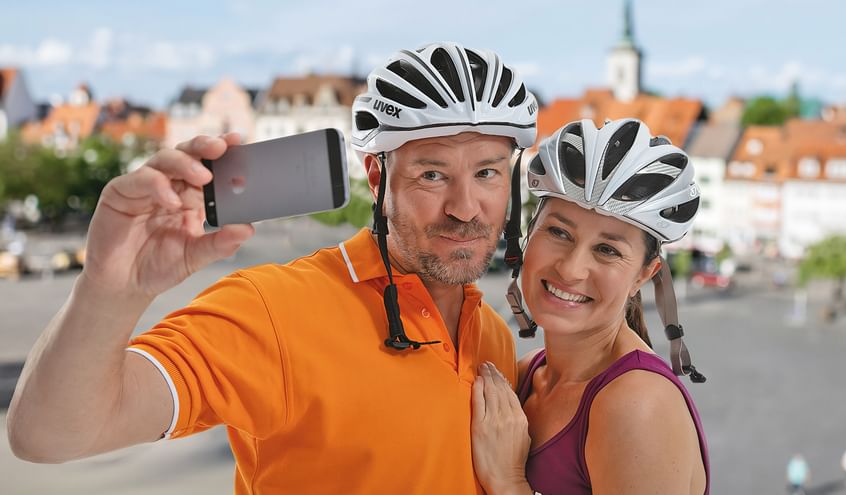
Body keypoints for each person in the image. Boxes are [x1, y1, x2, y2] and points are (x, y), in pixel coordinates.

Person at [7, 42, 538, 494]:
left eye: (487, 173)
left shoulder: (491, 335)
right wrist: (110, 287)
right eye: (432, 175)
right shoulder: (277, 310)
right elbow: (50, 434)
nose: (466, 208)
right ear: (376, 178)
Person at [470, 118, 709, 494]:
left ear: (644, 275)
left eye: (608, 250)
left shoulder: (637, 405)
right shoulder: (526, 375)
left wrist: (509, 482)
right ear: (530, 232)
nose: (571, 268)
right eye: (559, 232)